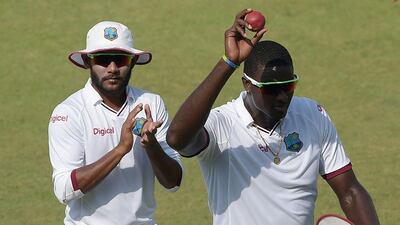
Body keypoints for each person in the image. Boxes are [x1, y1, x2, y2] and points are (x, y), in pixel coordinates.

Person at [166, 9, 380, 225]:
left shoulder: (313, 115)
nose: (282, 97)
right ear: (247, 85)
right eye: (271, 89)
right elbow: (177, 138)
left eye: (289, 86)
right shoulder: (223, 124)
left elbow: (350, 191)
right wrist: (229, 62)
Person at [48, 21, 183, 225]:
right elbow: (64, 190)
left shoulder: (151, 103)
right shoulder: (69, 113)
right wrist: (121, 149)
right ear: (87, 62)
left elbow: (173, 182)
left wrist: (152, 146)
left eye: (120, 60)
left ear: (132, 62)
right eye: (102, 60)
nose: (112, 68)